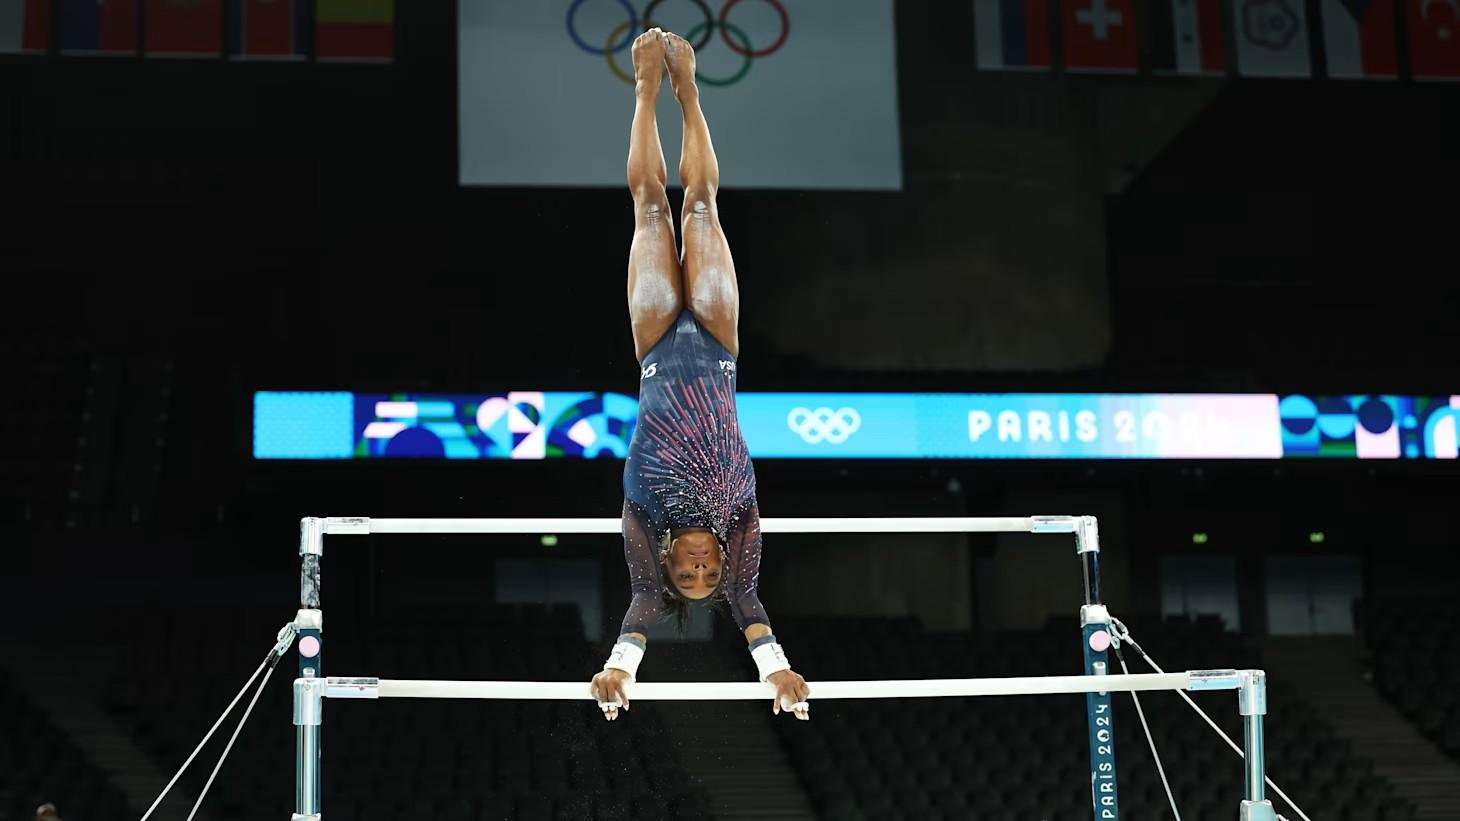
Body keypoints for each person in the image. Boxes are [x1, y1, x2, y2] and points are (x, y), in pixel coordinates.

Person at [589, 28, 810, 722]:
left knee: (652, 206)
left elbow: (642, 603)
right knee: (703, 207)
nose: (698, 567)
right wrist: (777, 671)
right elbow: (749, 603)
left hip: (655, 346)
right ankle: (687, 93)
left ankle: (646, 89)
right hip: (717, 344)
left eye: (687, 573)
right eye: (705, 574)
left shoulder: (642, 521)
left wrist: (616, 669)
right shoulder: (740, 526)